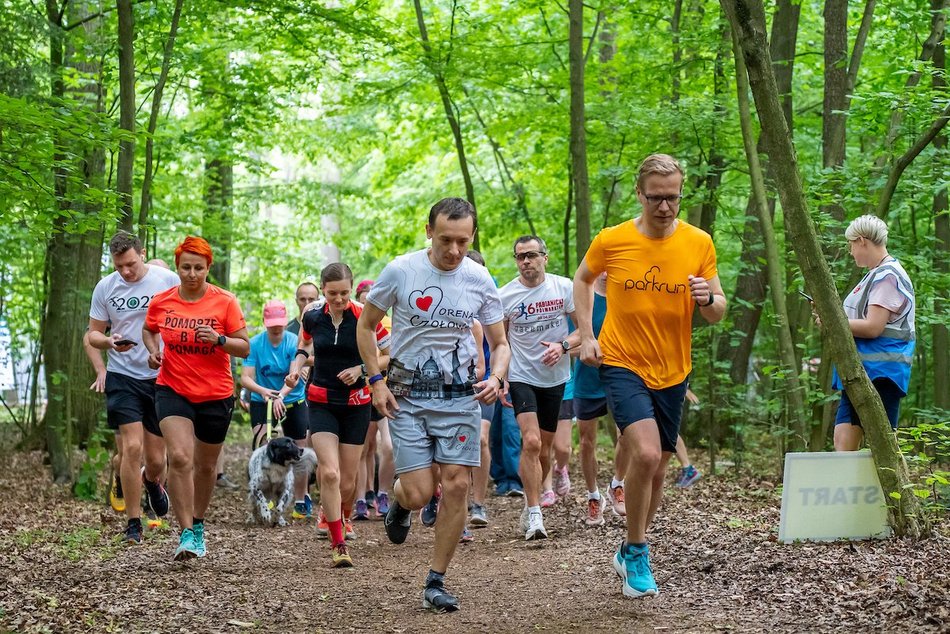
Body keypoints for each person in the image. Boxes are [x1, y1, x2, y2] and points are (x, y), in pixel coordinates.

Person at [574, 154, 726, 597]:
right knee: (643, 454)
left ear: (681, 195)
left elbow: (718, 311)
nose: (664, 206)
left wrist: (706, 298)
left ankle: (628, 548)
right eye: (656, 197)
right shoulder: (613, 239)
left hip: (673, 369)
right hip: (622, 361)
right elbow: (583, 280)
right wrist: (586, 335)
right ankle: (639, 552)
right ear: (640, 194)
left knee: (659, 467)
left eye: (672, 198)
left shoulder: (699, 243)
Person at [357, 197, 510, 612]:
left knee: (457, 484)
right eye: (446, 240)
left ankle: (435, 580)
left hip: (460, 397)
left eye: (463, 241)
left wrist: (496, 377)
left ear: (472, 237)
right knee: (421, 492)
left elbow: (499, 343)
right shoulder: (401, 270)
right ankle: (400, 504)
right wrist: (375, 382)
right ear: (429, 231)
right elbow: (366, 325)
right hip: (406, 397)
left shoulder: (479, 278)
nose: (454, 250)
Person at [143, 236, 249, 561]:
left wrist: (219, 339)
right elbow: (149, 329)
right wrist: (153, 350)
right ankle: (185, 532)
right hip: (172, 388)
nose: (192, 274)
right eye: (186, 267)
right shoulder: (162, 301)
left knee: (205, 466)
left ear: (208, 269)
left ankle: (199, 523)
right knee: (179, 457)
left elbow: (244, 346)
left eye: (198, 268)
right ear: (177, 267)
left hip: (216, 393)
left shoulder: (225, 302)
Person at [286, 263, 391, 568]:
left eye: (345, 292)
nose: (340, 299)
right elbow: (304, 344)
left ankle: (338, 514)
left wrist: (362, 369)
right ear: (323, 290)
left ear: (351, 287)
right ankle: (338, 543)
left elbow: (390, 352)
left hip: (357, 404)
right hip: (320, 401)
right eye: (333, 293)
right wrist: (297, 368)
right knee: (329, 473)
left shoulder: (365, 314)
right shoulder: (313, 315)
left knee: (346, 482)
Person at [88, 231, 179, 544]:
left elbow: (185, 316)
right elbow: (93, 335)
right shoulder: (105, 287)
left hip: (160, 376)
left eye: (129, 264)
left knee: (156, 460)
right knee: (132, 448)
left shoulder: (167, 281)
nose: (125, 271)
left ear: (142, 253)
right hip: (122, 375)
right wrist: (109, 341)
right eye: (118, 266)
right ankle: (133, 524)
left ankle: (153, 482)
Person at [499, 235, 576, 540]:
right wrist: (501, 376)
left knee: (544, 450)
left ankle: (531, 498)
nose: (526, 261)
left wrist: (563, 345)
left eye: (532, 255)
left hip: (555, 378)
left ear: (546, 257)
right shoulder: (505, 295)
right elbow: (500, 341)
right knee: (530, 443)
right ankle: (535, 514)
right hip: (521, 376)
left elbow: (585, 330)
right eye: (520, 257)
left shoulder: (564, 287)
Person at [827, 214, 915, 451]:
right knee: (842, 443)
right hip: (861, 372)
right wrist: (831, 321)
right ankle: (848, 488)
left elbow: (873, 327)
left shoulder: (888, 276)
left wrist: (833, 323)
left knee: (884, 450)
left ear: (862, 241)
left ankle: (894, 489)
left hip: (880, 375)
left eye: (851, 244)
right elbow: (853, 322)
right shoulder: (874, 275)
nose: (850, 251)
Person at [240, 300, 310, 516]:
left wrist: (280, 395)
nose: (277, 328)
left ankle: (300, 498)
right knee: (262, 444)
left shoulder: (293, 342)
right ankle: (264, 494)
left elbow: (294, 376)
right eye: (272, 324)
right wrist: (263, 392)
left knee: (298, 448)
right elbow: (246, 378)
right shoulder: (255, 344)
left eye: (279, 323)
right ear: (265, 322)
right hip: (263, 400)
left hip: (292, 399)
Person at [573, 272, 631, 524]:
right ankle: (593, 496)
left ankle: (618, 484)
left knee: (627, 434)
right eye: (603, 266)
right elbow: (570, 343)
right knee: (587, 441)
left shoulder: (628, 295)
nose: (608, 272)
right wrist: (583, 349)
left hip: (621, 375)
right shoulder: (582, 296)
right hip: (587, 377)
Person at [352, 279, 396, 520]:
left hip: (387, 389)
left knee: (388, 446)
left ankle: (382, 493)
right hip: (361, 391)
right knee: (364, 447)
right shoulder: (355, 321)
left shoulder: (388, 323)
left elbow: (391, 355)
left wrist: (365, 369)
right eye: (364, 296)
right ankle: (362, 497)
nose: (368, 300)